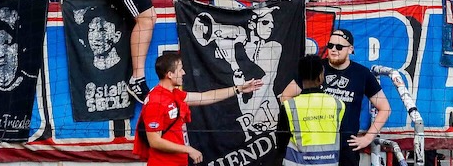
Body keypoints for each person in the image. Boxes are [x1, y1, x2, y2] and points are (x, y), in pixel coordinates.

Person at [281, 28, 390, 166]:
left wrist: (368, 138)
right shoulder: (316, 68)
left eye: (339, 47)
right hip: (314, 148)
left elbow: (385, 108)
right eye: (330, 45)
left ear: (350, 49)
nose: (333, 50)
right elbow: (285, 97)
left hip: (346, 147)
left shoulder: (362, 74)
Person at [138, 50, 262, 166]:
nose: (184, 73)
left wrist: (239, 89)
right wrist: (188, 149)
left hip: (179, 161)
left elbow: (206, 97)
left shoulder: (174, 94)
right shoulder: (156, 101)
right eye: (180, 70)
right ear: (170, 74)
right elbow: (155, 141)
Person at [275, 55, 345, 166]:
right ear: (320, 76)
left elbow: (281, 142)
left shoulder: (289, 106)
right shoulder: (338, 104)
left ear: (300, 76)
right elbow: (343, 137)